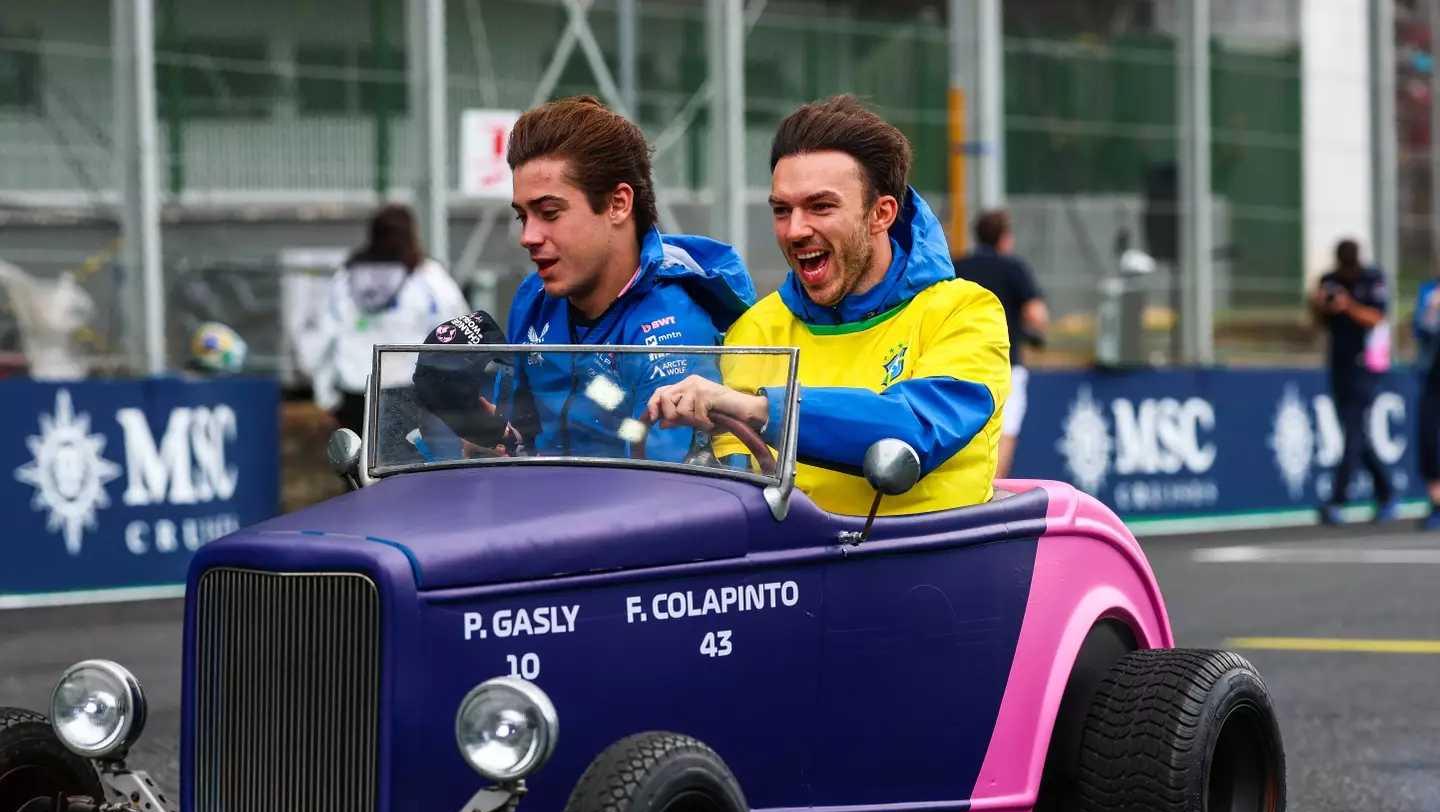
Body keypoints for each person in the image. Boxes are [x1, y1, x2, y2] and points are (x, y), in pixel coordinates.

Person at [645, 94, 1011, 516]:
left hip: (935, 573)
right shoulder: (755, 330)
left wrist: (758, 409)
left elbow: (914, 429)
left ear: (882, 214)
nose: (796, 230)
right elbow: (735, 494)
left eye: (821, 206)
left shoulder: (965, 312)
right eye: (782, 210)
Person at [498, 95, 756, 462]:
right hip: (538, 507)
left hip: (617, 510)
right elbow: (510, 432)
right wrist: (474, 428)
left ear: (618, 204)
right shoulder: (532, 298)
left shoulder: (672, 325)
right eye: (523, 217)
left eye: (549, 213)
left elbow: (658, 488)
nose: (528, 236)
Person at [300, 204, 471, 437]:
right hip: (411, 394)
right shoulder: (429, 279)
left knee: (361, 470)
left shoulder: (346, 279)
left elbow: (322, 342)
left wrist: (327, 398)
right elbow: (460, 333)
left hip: (356, 393)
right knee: (408, 470)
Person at [951, 209, 1048, 479]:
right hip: (1005, 366)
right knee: (1005, 432)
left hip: (960, 364)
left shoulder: (958, 266)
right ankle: (990, 495)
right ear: (1003, 239)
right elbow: (1036, 315)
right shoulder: (1013, 267)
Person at [1310, 238, 1399, 524]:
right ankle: (1386, 492)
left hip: (1367, 363)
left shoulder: (1373, 279)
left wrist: (1347, 306)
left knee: (1353, 429)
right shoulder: (1329, 280)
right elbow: (1318, 322)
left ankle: (1337, 498)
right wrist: (1320, 305)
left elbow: (1376, 318)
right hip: (1339, 363)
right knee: (1355, 432)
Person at [1413, 257, 1440, 529]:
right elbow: (1419, 330)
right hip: (1432, 376)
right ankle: (1436, 500)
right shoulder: (1429, 292)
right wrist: (1432, 310)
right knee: (1428, 438)